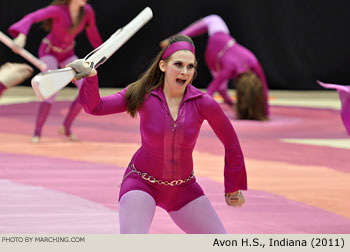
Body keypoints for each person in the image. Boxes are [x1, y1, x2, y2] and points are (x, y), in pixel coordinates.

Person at [70, 34, 247, 233]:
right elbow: (96, 107)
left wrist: (233, 185)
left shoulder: (204, 103)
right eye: (178, 64)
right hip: (141, 184)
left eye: (190, 67)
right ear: (163, 66)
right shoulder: (142, 94)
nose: (185, 72)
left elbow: (231, 142)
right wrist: (90, 78)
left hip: (184, 189)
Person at [8, 0, 103, 143]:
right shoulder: (58, 10)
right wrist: (21, 36)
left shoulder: (87, 11)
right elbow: (31, 17)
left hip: (67, 53)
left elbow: (92, 31)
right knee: (51, 87)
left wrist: (103, 51)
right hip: (49, 51)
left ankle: (66, 126)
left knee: (85, 88)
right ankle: (37, 132)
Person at [160, 14, 269, 120]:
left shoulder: (252, 60)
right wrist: (266, 112)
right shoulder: (228, 70)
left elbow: (263, 87)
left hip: (219, 50)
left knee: (214, 18)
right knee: (222, 90)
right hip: (214, 58)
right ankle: (233, 105)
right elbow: (210, 92)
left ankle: (174, 38)